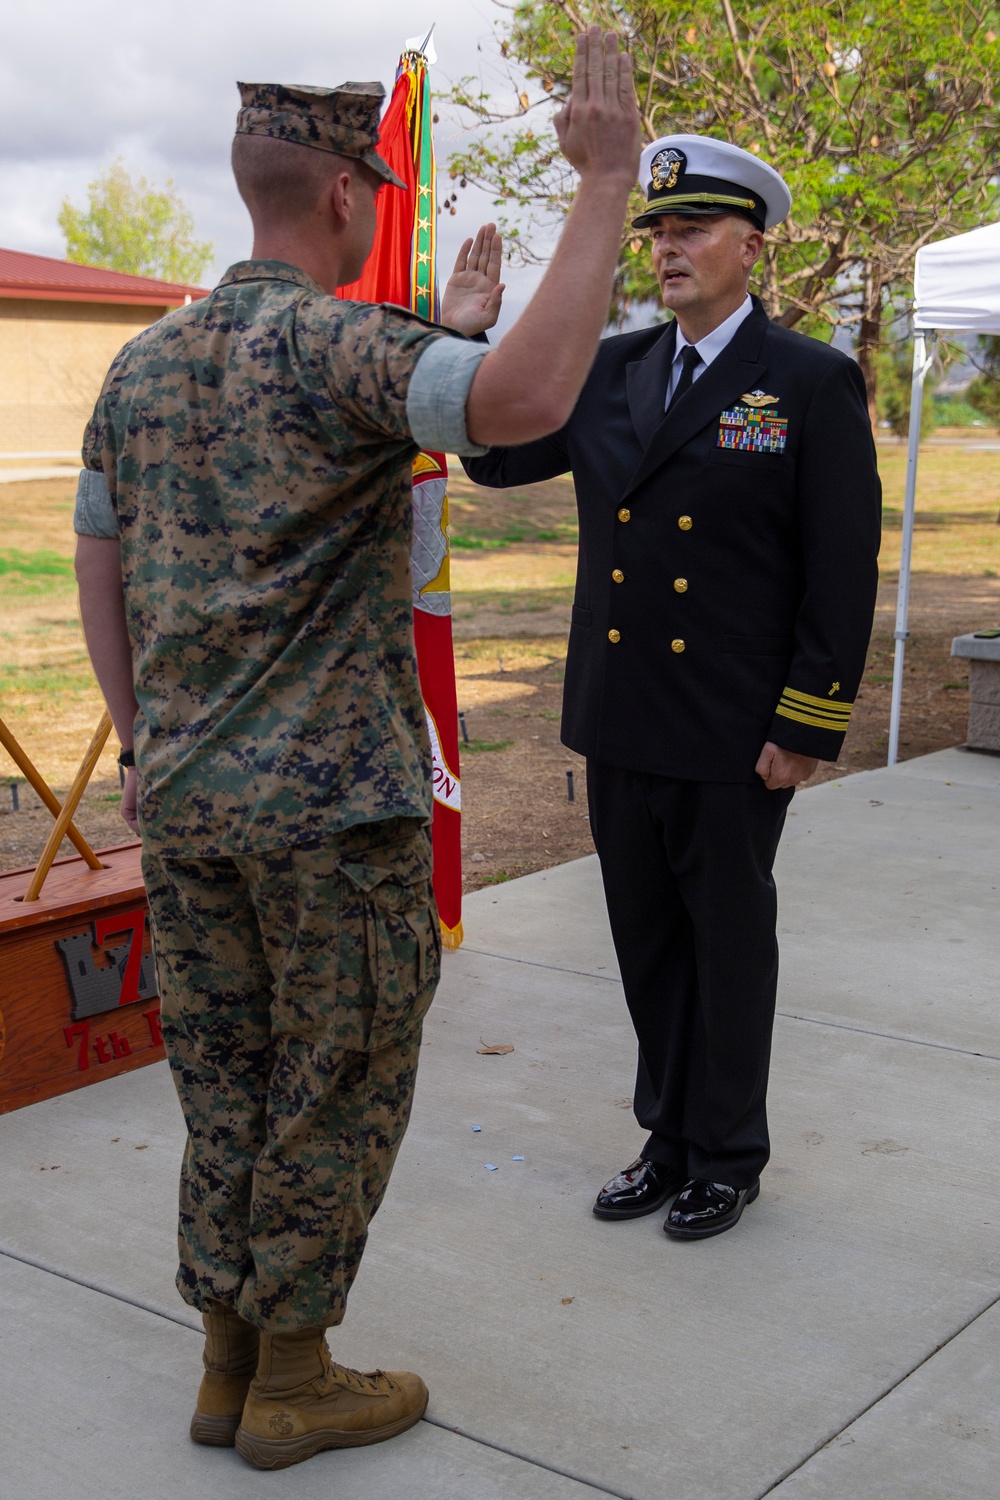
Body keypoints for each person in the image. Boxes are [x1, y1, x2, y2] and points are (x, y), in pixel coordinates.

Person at [73, 33, 641, 1471]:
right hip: (331, 818)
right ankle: (294, 1383)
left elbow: (99, 561)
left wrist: (149, 744)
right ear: (343, 194)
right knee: (336, 1080)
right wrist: (607, 184)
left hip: (190, 805)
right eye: (373, 187)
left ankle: (225, 1360)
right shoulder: (340, 346)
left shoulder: (141, 368)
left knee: (228, 1079)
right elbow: (521, 406)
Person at [463, 134, 880, 1242]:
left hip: (737, 726)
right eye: (655, 230)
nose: (665, 248)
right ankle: (666, 1138)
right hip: (623, 711)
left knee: (728, 944)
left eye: (690, 228)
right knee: (646, 938)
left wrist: (807, 722)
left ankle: (727, 1155)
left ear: (752, 243)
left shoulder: (806, 380)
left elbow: (840, 569)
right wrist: (464, 338)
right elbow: (495, 456)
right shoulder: (614, 367)